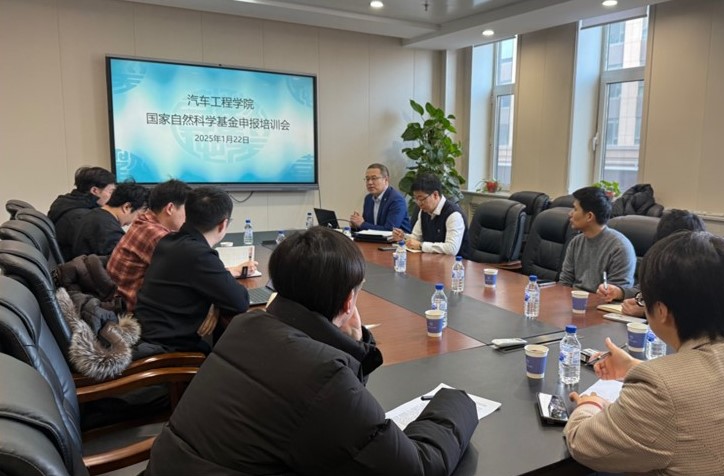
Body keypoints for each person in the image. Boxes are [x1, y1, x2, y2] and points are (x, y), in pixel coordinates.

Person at [144, 227, 479, 475]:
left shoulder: (246, 326)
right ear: (348, 301)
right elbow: (417, 468)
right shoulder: (322, 376)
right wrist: (458, 401)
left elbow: (328, 416)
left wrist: (351, 344)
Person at [564, 232, 724, 475]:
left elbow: (583, 443)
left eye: (643, 299)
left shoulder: (661, 390)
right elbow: (711, 386)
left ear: (661, 311)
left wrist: (591, 404)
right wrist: (633, 366)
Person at [133, 186, 252, 358]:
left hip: (146, 334)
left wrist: (215, 303)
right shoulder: (198, 254)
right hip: (168, 350)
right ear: (223, 224)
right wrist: (217, 300)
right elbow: (240, 302)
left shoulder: (168, 241)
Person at [599, 209, 706, 316]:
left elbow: (695, 311)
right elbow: (645, 290)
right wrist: (620, 292)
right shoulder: (661, 258)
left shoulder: (702, 270)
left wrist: (647, 312)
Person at [107, 179, 191, 311]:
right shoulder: (157, 235)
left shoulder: (144, 221)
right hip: (133, 311)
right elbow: (191, 273)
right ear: (170, 208)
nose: (189, 217)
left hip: (120, 300)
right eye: (187, 210)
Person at [558, 186, 635, 292]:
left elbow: (616, 292)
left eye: (575, 209)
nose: (570, 214)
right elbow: (565, 282)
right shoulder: (576, 242)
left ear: (589, 216)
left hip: (601, 301)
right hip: (574, 298)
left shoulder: (620, 247)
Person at [391, 173, 469, 256]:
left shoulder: (453, 215)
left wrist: (421, 246)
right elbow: (416, 238)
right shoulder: (424, 211)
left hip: (456, 262)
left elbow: (451, 249)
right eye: (416, 199)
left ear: (435, 195)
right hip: (432, 259)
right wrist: (403, 237)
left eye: (421, 199)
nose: (418, 203)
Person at [48, 166, 116, 259]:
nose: (112, 196)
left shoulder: (66, 203)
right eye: (111, 192)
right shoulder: (84, 217)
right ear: (94, 190)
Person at [69, 181, 149, 258]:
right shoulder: (110, 231)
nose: (135, 221)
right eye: (138, 215)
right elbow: (121, 262)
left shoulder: (95, 214)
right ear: (127, 207)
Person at [350, 163, 411, 232]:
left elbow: (390, 230)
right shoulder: (368, 199)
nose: (370, 182)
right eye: (367, 179)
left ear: (386, 180)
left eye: (374, 178)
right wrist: (356, 226)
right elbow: (368, 226)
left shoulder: (396, 199)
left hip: (398, 238)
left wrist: (362, 224)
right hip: (375, 238)